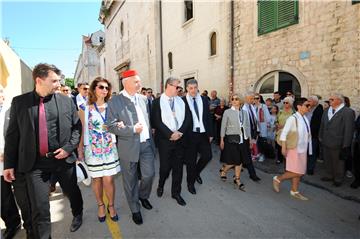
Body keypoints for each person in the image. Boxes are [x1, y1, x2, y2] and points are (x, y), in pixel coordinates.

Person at [3, 63, 83, 238]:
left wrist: (69, 148)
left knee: (72, 191)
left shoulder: (66, 101)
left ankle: (78, 213)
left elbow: (77, 128)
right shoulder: (20, 103)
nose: (59, 84)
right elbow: (12, 136)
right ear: (39, 80)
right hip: (35, 165)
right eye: (54, 81)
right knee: (40, 208)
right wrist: (9, 164)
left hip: (63, 160)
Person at [107, 70, 156, 225]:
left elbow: (148, 119)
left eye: (139, 81)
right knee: (130, 180)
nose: (139, 84)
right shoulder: (114, 101)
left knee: (149, 175)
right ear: (125, 82)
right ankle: (135, 208)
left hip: (146, 144)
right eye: (136, 82)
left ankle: (143, 196)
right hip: (128, 148)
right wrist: (132, 129)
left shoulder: (143, 98)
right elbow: (110, 126)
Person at [78, 77, 120, 223]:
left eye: (107, 88)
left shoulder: (112, 106)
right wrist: (80, 149)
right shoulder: (84, 108)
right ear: (94, 89)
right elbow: (82, 130)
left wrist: (119, 124)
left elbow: (120, 122)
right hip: (93, 149)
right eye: (101, 87)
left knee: (108, 179)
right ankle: (101, 205)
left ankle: (111, 205)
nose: (104, 90)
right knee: (97, 179)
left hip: (109, 147)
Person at [151, 77, 191, 206]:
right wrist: (170, 134)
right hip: (165, 140)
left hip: (180, 139)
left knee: (178, 168)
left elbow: (187, 118)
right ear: (168, 86)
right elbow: (156, 121)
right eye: (177, 87)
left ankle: (176, 193)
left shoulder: (181, 101)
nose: (179, 90)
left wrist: (180, 132)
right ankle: (161, 184)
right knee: (165, 168)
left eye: (179, 87)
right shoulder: (157, 102)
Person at [273, 98, 312, 200]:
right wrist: (284, 148)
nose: (309, 107)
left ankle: (294, 191)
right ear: (299, 106)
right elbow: (284, 134)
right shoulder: (293, 118)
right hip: (293, 148)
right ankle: (278, 178)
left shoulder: (305, 118)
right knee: (298, 172)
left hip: (302, 149)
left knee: (298, 170)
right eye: (307, 105)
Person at [183, 79, 213, 194]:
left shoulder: (204, 99)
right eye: (190, 88)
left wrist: (210, 134)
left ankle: (195, 173)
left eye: (195, 87)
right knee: (190, 161)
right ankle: (190, 183)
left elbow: (208, 117)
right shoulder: (182, 101)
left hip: (203, 134)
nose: (193, 90)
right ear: (187, 89)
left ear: (197, 87)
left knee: (207, 156)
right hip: (190, 136)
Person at [319, 93, 355, 187]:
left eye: (332, 99)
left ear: (339, 101)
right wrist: (320, 136)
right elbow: (322, 124)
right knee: (327, 160)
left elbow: (349, 130)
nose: (329, 101)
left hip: (338, 142)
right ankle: (329, 175)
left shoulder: (348, 112)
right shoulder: (327, 110)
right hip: (326, 140)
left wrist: (346, 145)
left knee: (338, 163)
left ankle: (338, 178)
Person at [219, 94, 251, 191]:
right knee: (233, 161)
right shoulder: (227, 112)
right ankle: (224, 170)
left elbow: (247, 126)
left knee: (240, 160)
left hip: (243, 139)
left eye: (236, 99)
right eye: (232, 99)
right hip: (232, 139)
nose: (234, 100)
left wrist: (250, 139)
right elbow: (223, 126)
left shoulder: (245, 112)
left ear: (240, 101)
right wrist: (221, 139)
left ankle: (237, 179)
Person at [242, 92, 261, 182]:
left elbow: (255, 120)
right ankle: (252, 174)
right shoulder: (242, 108)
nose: (253, 100)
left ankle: (226, 168)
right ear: (246, 98)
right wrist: (249, 137)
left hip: (252, 133)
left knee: (243, 154)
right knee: (247, 155)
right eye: (251, 98)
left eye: (253, 98)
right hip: (245, 135)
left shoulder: (252, 107)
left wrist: (256, 132)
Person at [305, 95, 323, 175]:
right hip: (304, 134)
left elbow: (317, 124)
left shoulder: (319, 110)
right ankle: (305, 166)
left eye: (309, 101)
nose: (308, 102)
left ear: (315, 102)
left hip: (313, 135)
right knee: (305, 151)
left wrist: (311, 132)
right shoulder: (308, 108)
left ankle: (310, 169)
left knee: (312, 152)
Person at [275, 96, 295, 164]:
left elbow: (293, 123)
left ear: (290, 104)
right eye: (284, 102)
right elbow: (276, 119)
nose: (285, 104)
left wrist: (284, 126)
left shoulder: (293, 112)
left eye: (287, 103)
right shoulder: (280, 111)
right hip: (279, 131)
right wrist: (277, 124)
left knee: (287, 146)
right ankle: (279, 158)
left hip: (288, 132)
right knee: (279, 145)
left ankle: (288, 159)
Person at [253, 93, 271, 162]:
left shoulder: (263, 106)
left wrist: (268, 124)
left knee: (262, 141)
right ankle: (256, 153)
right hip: (255, 126)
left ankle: (262, 155)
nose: (256, 100)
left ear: (259, 99)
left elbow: (267, 116)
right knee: (256, 141)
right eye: (254, 98)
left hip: (262, 126)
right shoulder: (253, 106)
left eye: (257, 98)